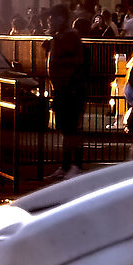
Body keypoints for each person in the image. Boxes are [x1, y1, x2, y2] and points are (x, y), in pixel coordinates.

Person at [47, 15, 93, 178]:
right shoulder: (77, 48)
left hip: (70, 92)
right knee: (68, 130)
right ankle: (69, 165)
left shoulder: (76, 50)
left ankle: (74, 165)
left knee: (71, 130)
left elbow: (79, 71)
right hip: (68, 92)